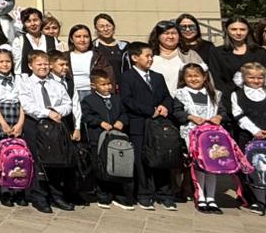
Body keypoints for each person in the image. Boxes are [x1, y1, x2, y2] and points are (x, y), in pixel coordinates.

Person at [226, 61, 266, 218]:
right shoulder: (237, 95)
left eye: (259, 78)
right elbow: (239, 115)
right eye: (251, 77)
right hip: (250, 136)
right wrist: (255, 131)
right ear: (243, 78)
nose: (256, 81)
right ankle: (258, 200)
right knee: (254, 168)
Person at [18, 50, 75, 213]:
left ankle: (57, 195)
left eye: (45, 64)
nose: (43, 67)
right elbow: (27, 105)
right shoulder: (26, 84)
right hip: (36, 124)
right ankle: (39, 196)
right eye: (39, 64)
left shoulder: (56, 85)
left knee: (56, 160)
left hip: (55, 125)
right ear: (30, 66)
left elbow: (68, 103)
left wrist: (57, 112)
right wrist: (47, 112)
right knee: (38, 161)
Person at [120, 41, 174, 211]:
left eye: (152, 56)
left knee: (162, 158)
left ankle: (165, 193)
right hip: (139, 124)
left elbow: (167, 96)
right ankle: (144, 194)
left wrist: (165, 106)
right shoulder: (127, 77)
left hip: (158, 126)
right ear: (135, 58)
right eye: (147, 56)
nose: (150, 59)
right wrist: (150, 111)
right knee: (141, 161)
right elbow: (127, 100)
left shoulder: (157, 77)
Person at [173, 62, 224, 214]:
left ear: (204, 77)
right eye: (189, 76)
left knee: (212, 166)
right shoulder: (181, 94)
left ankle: (211, 198)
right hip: (192, 134)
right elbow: (177, 112)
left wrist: (219, 117)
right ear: (184, 78)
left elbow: (222, 111)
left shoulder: (214, 94)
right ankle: (200, 196)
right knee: (199, 165)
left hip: (212, 136)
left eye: (196, 76)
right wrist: (190, 117)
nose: (193, 79)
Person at [81, 72, 132, 210]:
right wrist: (100, 122)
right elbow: (86, 115)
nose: (107, 87)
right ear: (94, 86)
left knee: (117, 165)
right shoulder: (89, 100)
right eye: (103, 84)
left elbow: (124, 113)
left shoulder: (117, 99)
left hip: (116, 139)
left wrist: (121, 121)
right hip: (98, 139)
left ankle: (118, 194)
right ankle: (103, 194)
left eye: (109, 84)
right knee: (101, 166)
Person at [209, 16, 266, 95]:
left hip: (257, 96)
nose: (238, 33)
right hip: (228, 96)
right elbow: (216, 79)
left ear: (248, 30)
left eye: (242, 29)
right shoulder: (217, 52)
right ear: (227, 31)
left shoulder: (260, 52)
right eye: (234, 29)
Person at [148, 19, 203, 92]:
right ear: (157, 36)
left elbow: (205, 79)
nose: (170, 36)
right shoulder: (149, 56)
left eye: (174, 33)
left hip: (185, 98)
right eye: (166, 33)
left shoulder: (190, 55)